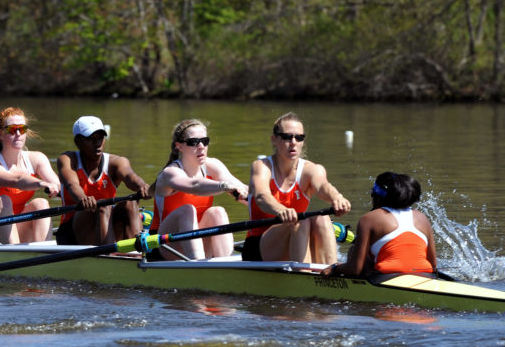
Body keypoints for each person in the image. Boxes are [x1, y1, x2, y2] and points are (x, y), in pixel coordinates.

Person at [243, 112, 351, 263]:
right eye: (287, 137)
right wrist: (281, 210)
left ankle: (331, 272)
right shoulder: (262, 167)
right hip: (258, 247)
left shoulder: (311, 169)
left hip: (296, 237)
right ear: (274, 139)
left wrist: (336, 198)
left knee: (321, 218)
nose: (293, 142)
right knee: (302, 220)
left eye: (299, 138)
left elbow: (322, 187)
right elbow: (262, 196)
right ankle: (304, 274)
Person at [150, 118, 249, 259]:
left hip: (197, 241)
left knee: (217, 212)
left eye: (205, 141)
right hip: (165, 245)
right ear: (179, 146)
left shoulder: (213, 166)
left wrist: (278, 207)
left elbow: (245, 190)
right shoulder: (170, 173)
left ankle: (226, 263)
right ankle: (198, 264)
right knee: (187, 210)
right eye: (193, 142)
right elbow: (194, 186)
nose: (201, 146)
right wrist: (224, 186)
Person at [0, 107, 60, 244]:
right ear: (0, 134)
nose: (18, 134)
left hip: (14, 229)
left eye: (22, 129)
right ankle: (16, 254)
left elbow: (58, 185)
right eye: (12, 130)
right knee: (3, 201)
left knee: (41, 203)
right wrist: (40, 183)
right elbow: (17, 180)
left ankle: (43, 253)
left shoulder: (37, 159)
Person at [56, 115, 151, 245]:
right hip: (71, 232)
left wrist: (142, 186)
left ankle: (136, 252)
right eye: (91, 139)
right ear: (78, 141)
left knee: (131, 203)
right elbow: (72, 185)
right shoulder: (67, 159)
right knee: (104, 205)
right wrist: (83, 198)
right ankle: (109, 255)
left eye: (101, 137)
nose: (98, 143)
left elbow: (131, 177)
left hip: (105, 225)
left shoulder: (117, 162)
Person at [323, 172, 436, 277]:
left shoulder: (369, 219)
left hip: (386, 276)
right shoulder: (422, 218)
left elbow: (355, 269)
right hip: (425, 275)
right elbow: (433, 265)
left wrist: (335, 268)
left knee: (354, 250)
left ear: (377, 196)